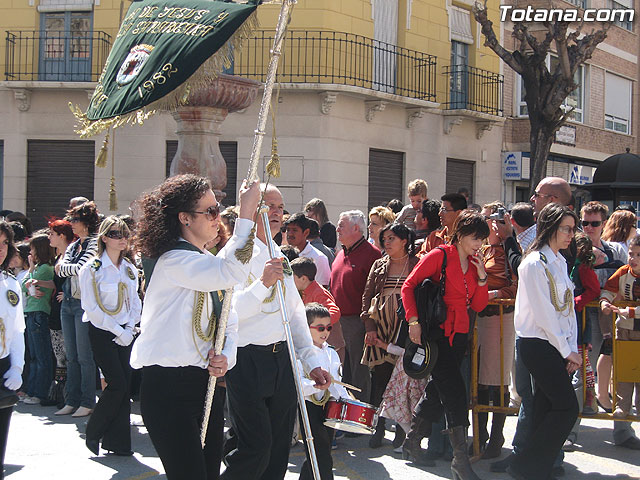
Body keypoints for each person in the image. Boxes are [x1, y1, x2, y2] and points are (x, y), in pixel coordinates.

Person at [130, 174, 260, 480]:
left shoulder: (205, 260)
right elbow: (232, 271)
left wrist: (226, 355)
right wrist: (246, 215)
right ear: (185, 218)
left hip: (205, 384)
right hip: (168, 387)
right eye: (210, 211)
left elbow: (229, 319)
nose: (218, 217)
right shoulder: (175, 260)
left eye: (218, 208)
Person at [222, 184, 331, 480]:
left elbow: (293, 314)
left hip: (281, 360)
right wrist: (262, 285)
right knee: (255, 446)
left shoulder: (279, 252)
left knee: (280, 447)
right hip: (246, 360)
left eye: (280, 207)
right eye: (267, 205)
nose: (275, 212)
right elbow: (226, 315)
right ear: (250, 208)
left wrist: (312, 361)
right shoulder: (235, 253)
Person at [401, 210, 489, 478]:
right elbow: (408, 286)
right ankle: (460, 461)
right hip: (437, 334)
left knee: (437, 392)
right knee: (454, 393)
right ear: (460, 234)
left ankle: (412, 441)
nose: (479, 244)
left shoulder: (474, 263)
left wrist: (482, 277)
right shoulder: (440, 255)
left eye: (482, 239)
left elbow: (478, 305)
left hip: (460, 334)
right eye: (475, 238)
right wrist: (413, 322)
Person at [508, 203, 581, 480]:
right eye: (566, 228)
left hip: (555, 344)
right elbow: (545, 314)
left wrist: (570, 348)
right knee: (566, 407)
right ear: (550, 227)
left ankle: (529, 467)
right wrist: (566, 350)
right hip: (538, 345)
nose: (570, 235)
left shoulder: (560, 262)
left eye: (573, 229)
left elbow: (567, 310)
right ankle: (530, 465)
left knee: (545, 407)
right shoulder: (533, 264)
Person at [79, 216, 141, 456]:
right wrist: (117, 330)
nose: (122, 238)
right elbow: (91, 309)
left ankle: (118, 443)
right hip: (103, 331)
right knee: (117, 384)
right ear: (104, 238)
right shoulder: (92, 269)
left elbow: (135, 301)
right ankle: (93, 431)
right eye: (116, 234)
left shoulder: (128, 268)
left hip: (125, 331)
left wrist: (128, 329)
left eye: (124, 234)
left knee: (124, 388)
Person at [361, 223, 418, 448]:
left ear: (405, 241)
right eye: (384, 238)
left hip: (405, 330)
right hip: (380, 329)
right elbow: (367, 297)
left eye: (392, 238)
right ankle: (378, 428)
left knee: (402, 382)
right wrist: (369, 327)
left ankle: (401, 432)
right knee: (380, 380)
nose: (387, 242)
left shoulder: (416, 263)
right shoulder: (379, 264)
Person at [476, 202, 518, 459]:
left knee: (497, 380)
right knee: (479, 380)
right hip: (479, 318)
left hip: (500, 317)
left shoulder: (509, 252)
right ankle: (481, 435)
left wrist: (492, 294)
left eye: (490, 219)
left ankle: (496, 435)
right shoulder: (480, 249)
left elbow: (517, 286)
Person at [330, 210, 381, 403]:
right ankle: (342, 413)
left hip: (358, 322)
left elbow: (375, 293)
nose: (337, 229)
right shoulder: (341, 252)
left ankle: (358, 417)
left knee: (358, 373)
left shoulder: (372, 255)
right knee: (341, 370)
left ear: (356, 228)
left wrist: (369, 325)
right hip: (337, 321)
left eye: (341, 225)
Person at [55, 201, 100, 417]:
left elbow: (82, 269)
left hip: (83, 304)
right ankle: (71, 400)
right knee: (70, 355)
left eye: (75, 219)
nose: (71, 224)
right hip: (68, 303)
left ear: (86, 222)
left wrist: (66, 268)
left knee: (84, 356)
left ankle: (87, 401)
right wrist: (67, 268)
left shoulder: (94, 243)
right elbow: (60, 268)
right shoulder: (73, 245)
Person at [296, 303, 349, 480]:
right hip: (308, 406)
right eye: (320, 328)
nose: (325, 332)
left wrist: (346, 401)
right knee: (321, 455)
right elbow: (297, 384)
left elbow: (336, 383)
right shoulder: (299, 354)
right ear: (306, 327)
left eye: (328, 327)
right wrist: (315, 384)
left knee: (320, 452)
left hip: (329, 407)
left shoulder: (331, 353)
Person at [599, 234, 640, 419]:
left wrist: (630, 311)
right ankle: (623, 405)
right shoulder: (623, 272)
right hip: (624, 330)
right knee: (623, 370)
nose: (633, 259)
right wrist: (605, 302)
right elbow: (608, 290)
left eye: (639, 255)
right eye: (631, 254)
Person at [0, 222, 26, 480]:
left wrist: (17, 367)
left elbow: (17, 330)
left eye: (5, 243)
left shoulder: (10, 284)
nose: (0, 249)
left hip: (2, 364)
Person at [20, 235, 55, 405]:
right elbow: (25, 284)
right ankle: (32, 390)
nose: (31, 252)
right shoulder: (38, 267)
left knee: (41, 356)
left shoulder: (46, 268)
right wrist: (32, 269)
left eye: (33, 248)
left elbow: (29, 284)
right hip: (33, 312)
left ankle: (40, 393)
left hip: (39, 313)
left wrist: (30, 280)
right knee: (34, 356)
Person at [569, 232, 600, 418]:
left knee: (582, 366)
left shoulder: (583, 268)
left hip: (580, 321)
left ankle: (587, 402)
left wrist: (577, 302)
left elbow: (594, 289)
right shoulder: (571, 265)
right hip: (572, 320)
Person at [291, 257, 344, 362]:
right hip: (315, 347)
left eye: (293, 277)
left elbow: (335, 311)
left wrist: (319, 325)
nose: (290, 281)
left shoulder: (318, 292)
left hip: (330, 349)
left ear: (303, 279)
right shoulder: (302, 291)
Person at [284, 213, 331, 287]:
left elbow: (322, 289)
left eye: (294, 230)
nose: (290, 234)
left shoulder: (319, 258)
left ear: (306, 232)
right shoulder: (281, 253)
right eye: (288, 230)